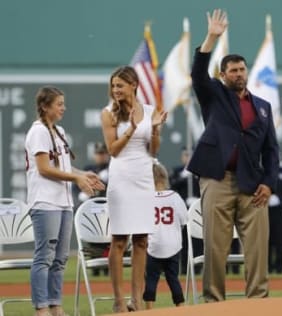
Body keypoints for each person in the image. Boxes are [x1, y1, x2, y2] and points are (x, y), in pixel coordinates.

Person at [187, 9, 280, 302]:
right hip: (218, 179)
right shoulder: (214, 94)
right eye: (233, 70)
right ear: (223, 75)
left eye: (242, 69)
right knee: (215, 246)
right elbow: (197, 74)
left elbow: (271, 150)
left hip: (252, 184)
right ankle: (214, 302)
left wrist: (269, 183)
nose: (239, 74)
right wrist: (211, 37)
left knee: (257, 247)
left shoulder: (262, 106)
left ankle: (258, 301)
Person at [25, 86, 104, 316]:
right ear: (44, 107)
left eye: (63, 103)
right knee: (44, 257)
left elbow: (63, 167)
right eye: (58, 104)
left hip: (63, 203)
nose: (63, 108)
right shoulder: (38, 131)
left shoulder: (58, 130)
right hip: (45, 202)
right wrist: (77, 177)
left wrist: (82, 174)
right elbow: (44, 169)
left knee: (59, 259)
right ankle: (41, 309)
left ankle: (56, 305)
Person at [100, 66, 168, 312]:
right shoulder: (108, 113)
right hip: (121, 180)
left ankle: (136, 300)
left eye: (120, 85)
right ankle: (119, 301)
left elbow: (154, 150)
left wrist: (156, 128)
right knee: (119, 241)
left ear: (134, 85)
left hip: (143, 179)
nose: (116, 90)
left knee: (141, 241)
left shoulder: (149, 111)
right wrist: (132, 127)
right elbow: (113, 150)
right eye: (114, 86)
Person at [143, 160, 187, 308]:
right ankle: (180, 305)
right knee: (173, 277)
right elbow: (183, 220)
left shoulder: (146, 199)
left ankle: (149, 308)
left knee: (151, 278)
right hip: (173, 244)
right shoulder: (175, 196)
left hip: (153, 246)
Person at [78, 142, 110, 277]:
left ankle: (107, 268)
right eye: (98, 154)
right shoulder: (89, 169)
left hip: (107, 211)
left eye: (103, 153)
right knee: (92, 240)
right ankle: (95, 269)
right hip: (91, 211)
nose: (100, 156)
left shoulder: (111, 169)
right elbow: (77, 188)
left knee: (107, 240)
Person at [169, 146, 202, 275]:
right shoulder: (178, 171)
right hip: (181, 211)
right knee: (182, 241)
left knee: (197, 239)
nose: (188, 158)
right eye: (186, 155)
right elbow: (171, 186)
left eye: (190, 155)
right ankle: (183, 268)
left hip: (197, 212)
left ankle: (197, 269)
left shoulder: (200, 171)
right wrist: (184, 177)